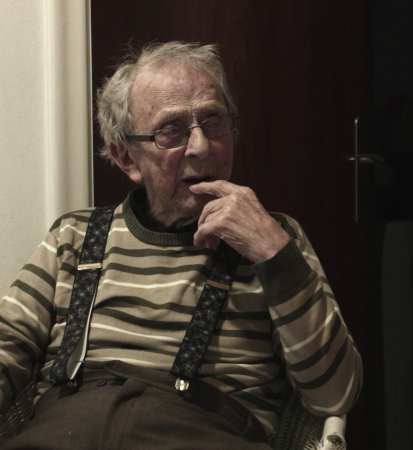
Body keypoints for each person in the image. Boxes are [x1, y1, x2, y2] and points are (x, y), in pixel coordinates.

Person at [0, 42, 362, 449]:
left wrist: (273, 253)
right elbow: (7, 347)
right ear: (126, 158)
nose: (202, 147)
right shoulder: (73, 237)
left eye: (213, 121)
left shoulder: (277, 240)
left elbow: (335, 396)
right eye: (172, 130)